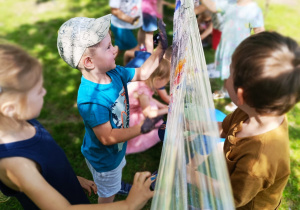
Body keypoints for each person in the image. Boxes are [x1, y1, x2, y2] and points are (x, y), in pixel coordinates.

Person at [0, 43, 154, 209]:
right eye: (38, 91)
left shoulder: (24, 123)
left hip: (70, 190)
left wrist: (71, 179)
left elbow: (49, 163)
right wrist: (129, 205)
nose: (44, 92)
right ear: (10, 108)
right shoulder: (16, 164)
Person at [57, 14, 168, 204]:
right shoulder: (91, 100)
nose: (115, 49)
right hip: (105, 161)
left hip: (115, 153)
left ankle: (113, 185)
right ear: (89, 62)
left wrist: (160, 50)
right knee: (107, 198)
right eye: (108, 47)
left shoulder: (114, 72)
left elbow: (144, 72)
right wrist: (141, 127)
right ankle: (110, 191)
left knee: (115, 175)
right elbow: (107, 137)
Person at [220, 31, 299, 208]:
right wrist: (190, 124)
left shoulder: (257, 162)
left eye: (230, 73)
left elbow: (231, 199)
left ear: (241, 95)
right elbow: (223, 128)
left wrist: (195, 177)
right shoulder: (254, 111)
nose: (226, 79)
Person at [200, 0, 265, 111]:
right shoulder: (229, 3)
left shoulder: (254, 10)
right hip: (225, 46)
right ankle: (225, 91)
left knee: (235, 75)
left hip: (239, 49)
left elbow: (258, 30)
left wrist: (258, 48)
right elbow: (213, 6)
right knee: (226, 72)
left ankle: (236, 100)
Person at [126, 58, 170, 154]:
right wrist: (167, 110)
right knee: (154, 122)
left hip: (128, 109)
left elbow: (151, 99)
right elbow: (148, 113)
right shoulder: (143, 91)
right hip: (128, 117)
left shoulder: (143, 82)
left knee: (154, 107)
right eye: (166, 81)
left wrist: (164, 106)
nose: (166, 84)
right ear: (158, 79)